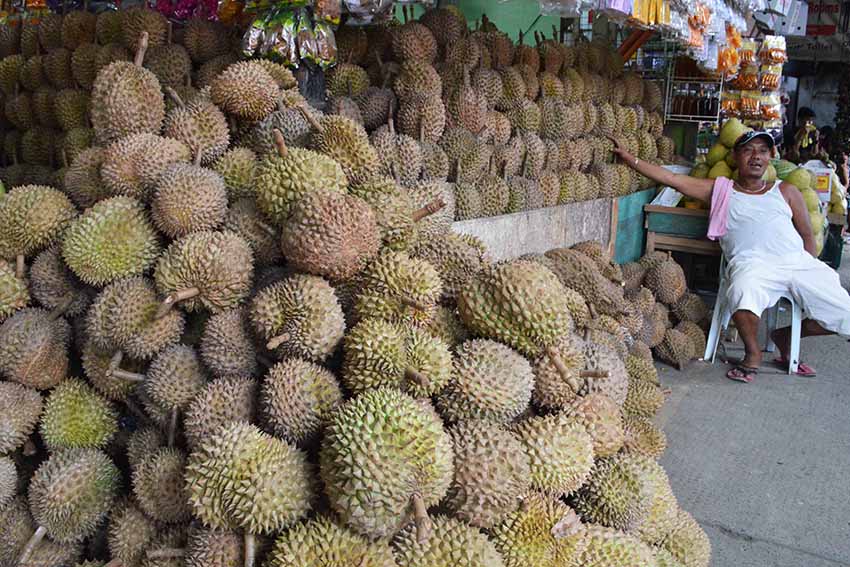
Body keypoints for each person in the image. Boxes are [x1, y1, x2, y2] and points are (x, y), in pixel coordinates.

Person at [611, 131, 850, 383]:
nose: (756, 156)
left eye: (763, 151)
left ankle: (786, 336)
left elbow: (806, 235)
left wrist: (809, 265)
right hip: (752, 264)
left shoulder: (786, 190)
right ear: (736, 157)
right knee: (741, 291)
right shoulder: (721, 190)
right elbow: (672, 179)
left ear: (770, 157)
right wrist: (630, 159)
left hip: (796, 262)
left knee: (844, 313)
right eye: (748, 150)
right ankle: (752, 353)